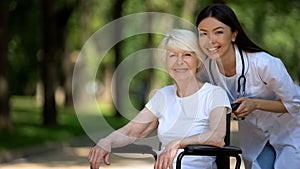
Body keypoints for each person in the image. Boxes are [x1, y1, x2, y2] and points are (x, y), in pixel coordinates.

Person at [88, 29, 231, 169]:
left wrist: (179, 143)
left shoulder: (214, 94)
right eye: (173, 55)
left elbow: (217, 136)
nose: (179, 62)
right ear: (165, 62)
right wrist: (106, 141)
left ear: (198, 61)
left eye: (187, 55)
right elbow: (131, 131)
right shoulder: (163, 96)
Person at [195, 3, 300, 169]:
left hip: (290, 130)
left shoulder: (264, 63)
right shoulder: (206, 71)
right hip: (255, 136)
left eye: (219, 32)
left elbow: (296, 103)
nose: (211, 40)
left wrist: (255, 104)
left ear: (234, 35)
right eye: (203, 34)